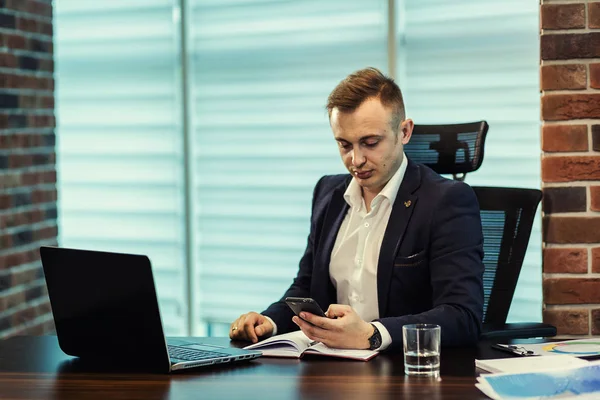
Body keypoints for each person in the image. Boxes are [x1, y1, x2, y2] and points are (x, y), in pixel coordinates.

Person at [229, 67, 484, 352]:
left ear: (404, 131)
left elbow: (462, 316)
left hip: (406, 371)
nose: (356, 160)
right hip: (331, 369)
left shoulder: (446, 200)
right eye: (344, 145)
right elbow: (306, 287)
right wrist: (269, 321)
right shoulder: (329, 194)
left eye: (370, 142)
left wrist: (372, 334)